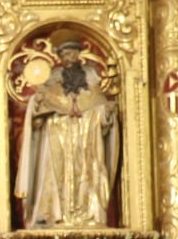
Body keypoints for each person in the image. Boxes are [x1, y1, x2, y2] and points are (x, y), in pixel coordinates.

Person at [15, 37, 120, 228]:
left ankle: (89, 215)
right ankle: (55, 214)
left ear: (79, 55)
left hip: (86, 139)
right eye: (63, 55)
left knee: (89, 174)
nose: (68, 59)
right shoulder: (52, 80)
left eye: (71, 54)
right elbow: (37, 118)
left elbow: (100, 111)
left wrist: (105, 114)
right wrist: (39, 105)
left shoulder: (90, 78)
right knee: (55, 177)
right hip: (57, 135)